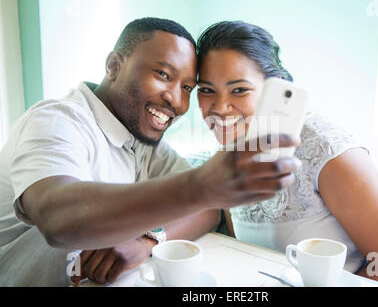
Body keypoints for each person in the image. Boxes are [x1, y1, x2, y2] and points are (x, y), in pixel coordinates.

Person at [0, 18, 301, 286]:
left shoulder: (140, 137)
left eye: (187, 88)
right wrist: (200, 185)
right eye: (163, 74)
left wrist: (148, 240)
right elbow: (59, 220)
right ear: (114, 66)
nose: (177, 101)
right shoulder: (56, 121)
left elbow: (209, 209)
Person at [195, 20, 378, 286]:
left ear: (273, 88)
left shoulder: (324, 148)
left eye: (239, 90)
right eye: (207, 90)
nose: (219, 107)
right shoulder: (225, 157)